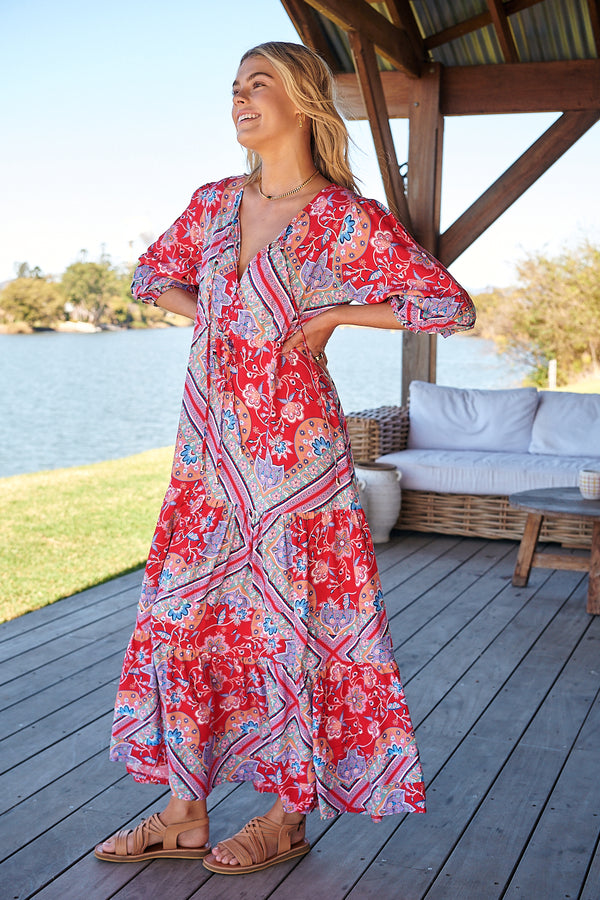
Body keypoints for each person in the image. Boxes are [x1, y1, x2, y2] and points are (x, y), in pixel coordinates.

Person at [95, 41, 475, 874]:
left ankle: (286, 815)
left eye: (258, 84)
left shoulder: (341, 217)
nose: (240, 97)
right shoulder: (212, 204)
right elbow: (150, 276)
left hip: (297, 464)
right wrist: (215, 315)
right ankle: (184, 812)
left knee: (294, 624)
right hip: (207, 460)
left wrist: (336, 314)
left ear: (302, 99)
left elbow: (447, 305)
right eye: (234, 86)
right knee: (183, 621)